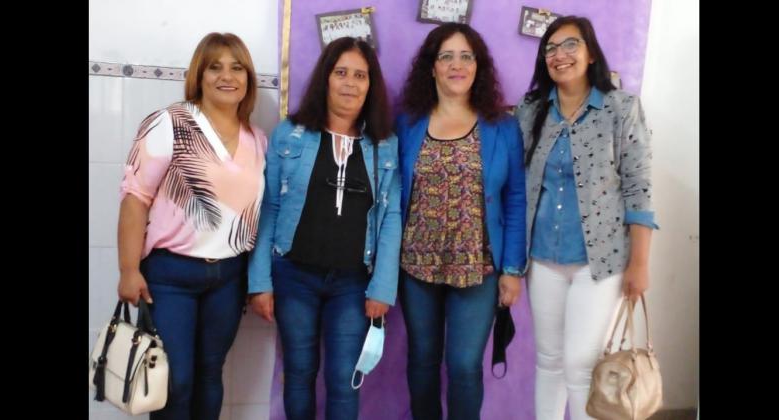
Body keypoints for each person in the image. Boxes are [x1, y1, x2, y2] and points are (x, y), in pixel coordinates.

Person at [247, 37, 401, 420]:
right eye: (341, 72)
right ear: (325, 79)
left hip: (353, 283)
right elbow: (269, 207)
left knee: (344, 378)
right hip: (293, 275)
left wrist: (383, 286)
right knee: (298, 375)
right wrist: (259, 281)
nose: (350, 83)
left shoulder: (384, 144)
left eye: (360, 75)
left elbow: (391, 218)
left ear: (371, 84)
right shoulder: (291, 133)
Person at [514, 15, 658, 420]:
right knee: (549, 360)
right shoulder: (531, 110)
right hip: (542, 258)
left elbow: (639, 188)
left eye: (570, 45)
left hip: (601, 262)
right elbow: (515, 180)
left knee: (581, 364)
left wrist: (640, 264)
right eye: (550, 49)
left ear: (590, 51)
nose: (559, 56)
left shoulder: (620, 108)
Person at [117, 32, 267, 420]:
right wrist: (128, 270)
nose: (226, 76)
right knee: (174, 380)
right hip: (170, 276)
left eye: (236, 67)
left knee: (208, 375)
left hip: (229, 278)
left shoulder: (258, 140)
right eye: (214, 67)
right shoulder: (169, 122)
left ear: (248, 78)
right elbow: (135, 199)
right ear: (199, 75)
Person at [394, 22, 527, 420]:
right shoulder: (407, 123)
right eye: (446, 56)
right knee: (421, 361)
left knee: (465, 366)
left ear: (478, 67)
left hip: (478, 267)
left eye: (466, 56)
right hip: (416, 265)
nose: (457, 64)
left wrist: (512, 269)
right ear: (431, 67)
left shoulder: (502, 126)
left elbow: (515, 198)